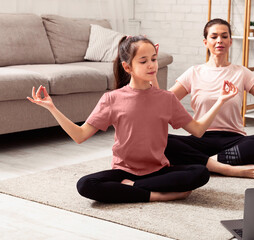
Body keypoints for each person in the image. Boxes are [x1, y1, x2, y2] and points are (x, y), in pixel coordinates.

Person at [27, 35, 238, 203]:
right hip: (123, 171)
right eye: (144, 61)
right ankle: (157, 194)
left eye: (154, 59)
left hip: (159, 170)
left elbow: (198, 130)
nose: (151, 65)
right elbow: (80, 135)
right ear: (127, 67)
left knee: (200, 173)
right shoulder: (112, 99)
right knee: (85, 184)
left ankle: (135, 189)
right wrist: (52, 108)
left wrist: (220, 100)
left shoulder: (166, 99)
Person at [164, 18, 254, 180]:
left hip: (233, 140)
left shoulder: (241, 72)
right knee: (161, 140)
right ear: (205, 42)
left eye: (224, 36)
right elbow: (163, 102)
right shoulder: (194, 72)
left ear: (230, 41)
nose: (219, 40)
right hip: (200, 139)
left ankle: (208, 163)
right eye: (214, 37)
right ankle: (227, 167)